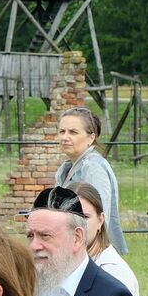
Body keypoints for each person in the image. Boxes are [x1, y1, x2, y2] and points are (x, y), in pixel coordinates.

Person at [54, 106, 127, 254]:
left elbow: (98, 217)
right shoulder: (65, 168)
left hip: (92, 251)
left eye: (73, 132)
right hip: (72, 245)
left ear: (91, 138)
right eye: (62, 131)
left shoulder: (93, 167)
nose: (65, 137)